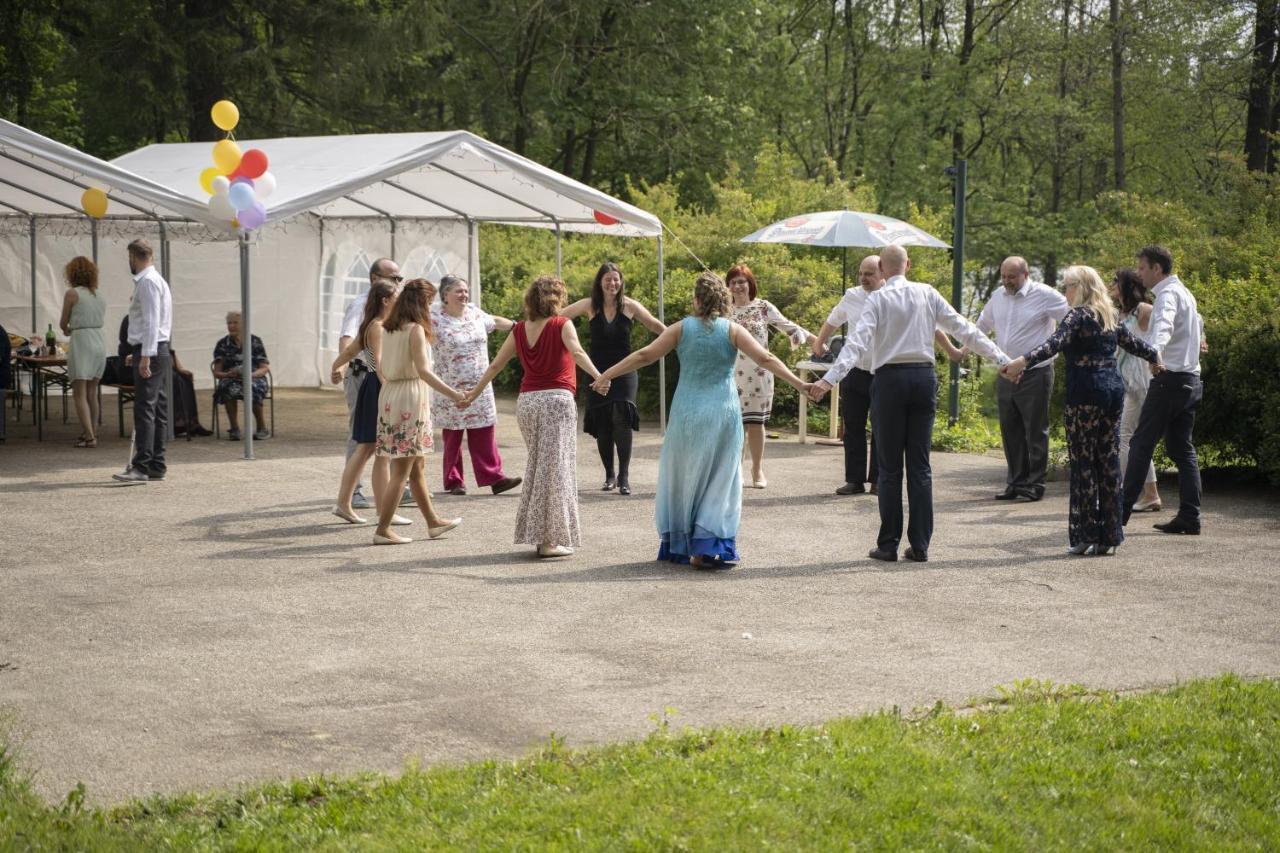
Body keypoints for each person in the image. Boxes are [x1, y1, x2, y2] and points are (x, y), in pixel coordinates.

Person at [593, 272, 812, 567]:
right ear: (724, 300)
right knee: (721, 477)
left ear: (696, 300)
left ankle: (683, 542)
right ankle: (707, 546)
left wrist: (606, 374)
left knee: (686, 475)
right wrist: (801, 385)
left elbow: (644, 355)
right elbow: (766, 359)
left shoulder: (681, 329)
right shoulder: (732, 330)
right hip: (723, 412)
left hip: (687, 413)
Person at [809, 246, 1009, 562]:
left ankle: (888, 544)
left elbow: (855, 346)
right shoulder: (927, 293)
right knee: (920, 465)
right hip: (923, 377)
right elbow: (964, 329)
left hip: (889, 380)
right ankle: (920, 545)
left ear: (883, 271)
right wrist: (1002, 358)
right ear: (908, 266)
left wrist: (827, 380)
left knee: (889, 467)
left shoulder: (877, 299)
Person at [1001, 266, 1162, 556]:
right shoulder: (1109, 316)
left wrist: (1021, 362)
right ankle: (1110, 536)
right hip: (1112, 391)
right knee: (1108, 461)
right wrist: (1155, 357)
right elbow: (1137, 344)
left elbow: (1053, 344)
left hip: (1085, 393)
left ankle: (1086, 533)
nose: (1065, 292)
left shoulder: (1078, 316)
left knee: (1084, 463)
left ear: (1081, 287)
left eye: (1068, 286)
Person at [460, 275, 605, 558]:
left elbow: (495, 366)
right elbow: (576, 351)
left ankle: (542, 535)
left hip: (527, 403)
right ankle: (549, 540)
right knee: (555, 471)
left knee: (541, 468)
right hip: (555, 402)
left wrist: (473, 394)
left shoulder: (520, 330)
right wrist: (599, 377)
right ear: (557, 299)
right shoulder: (562, 324)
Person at [372, 279, 465, 545]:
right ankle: (382, 529)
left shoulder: (387, 328)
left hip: (391, 395)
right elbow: (424, 371)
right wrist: (455, 394)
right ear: (423, 302)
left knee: (416, 467)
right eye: (430, 302)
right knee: (402, 469)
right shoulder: (415, 330)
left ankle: (433, 522)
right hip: (410, 398)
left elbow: (379, 366)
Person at [561, 262, 665, 495]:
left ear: (621, 282)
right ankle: (609, 474)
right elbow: (560, 317)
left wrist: (678, 337)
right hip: (596, 369)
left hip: (625, 369)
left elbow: (655, 325)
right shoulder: (590, 305)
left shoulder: (629, 306)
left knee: (621, 416)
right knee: (603, 422)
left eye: (616, 279)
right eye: (607, 279)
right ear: (600, 282)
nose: (612, 283)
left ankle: (624, 476)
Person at [1121, 246, 1205, 535]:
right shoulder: (1184, 292)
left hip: (1169, 380)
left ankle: (1117, 518)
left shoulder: (1168, 295)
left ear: (1157, 268)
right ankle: (1189, 517)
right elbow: (1198, 323)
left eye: (1142, 268)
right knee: (1182, 449)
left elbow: (1164, 326)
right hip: (1190, 382)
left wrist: (1153, 353)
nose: (1139, 273)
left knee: (1140, 444)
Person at [977, 256, 1069, 502]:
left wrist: (1056, 345)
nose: (1007, 281)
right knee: (1010, 428)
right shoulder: (998, 295)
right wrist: (965, 348)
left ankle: (1035, 484)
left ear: (1025, 274)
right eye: (1004, 276)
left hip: (1036, 372)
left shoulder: (1045, 294)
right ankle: (1015, 482)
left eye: (1012, 277)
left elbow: (1071, 318)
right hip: (1006, 371)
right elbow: (983, 324)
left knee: (1035, 428)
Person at [429, 274, 522, 496]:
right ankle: (454, 481)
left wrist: (518, 327)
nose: (464, 295)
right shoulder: (433, 318)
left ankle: (494, 478)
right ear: (445, 295)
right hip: (450, 386)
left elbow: (495, 321)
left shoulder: (473, 312)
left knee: (484, 431)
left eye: (465, 290)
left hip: (480, 384)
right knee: (453, 435)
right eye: (458, 291)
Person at [329, 279, 413, 527]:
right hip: (379, 388)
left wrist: (336, 367)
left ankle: (373, 508)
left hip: (375, 387)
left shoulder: (373, 325)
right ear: (386, 301)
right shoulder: (377, 326)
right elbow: (377, 363)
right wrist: (390, 390)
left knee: (373, 450)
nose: (400, 301)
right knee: (371, 449)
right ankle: (351, 505)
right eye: (396, 296)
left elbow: (349, 352)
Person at [727, 263, 816, 488]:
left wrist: (817, 341)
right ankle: (734, 471)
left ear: (750, 284)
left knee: (756, 424)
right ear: (728, 286)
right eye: (734, 282)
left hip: (759, 374)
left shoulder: (763, 307)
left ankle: (757, 470)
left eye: (742, 281)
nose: (738, 286)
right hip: (730, 374)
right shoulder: (724, 310)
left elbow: (789, 326)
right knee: (735, 425)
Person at [338, 257, 404, 510]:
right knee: (363, 438)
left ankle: (390, 493)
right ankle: (354, 494)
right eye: (393, 278)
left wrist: (337, 364)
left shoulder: (388, 314)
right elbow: (352, 342)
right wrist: (342, 367)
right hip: (365, 377)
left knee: (378, 443)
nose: (398, 283)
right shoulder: (363, 307)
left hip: (378, 379)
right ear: (375, 279)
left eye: (400, 278)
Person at [113, 239, 173, 484]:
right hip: (156, 348)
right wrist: (139, 351)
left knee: (145, 408)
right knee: (156, 407)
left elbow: (151, 321)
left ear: (134, 256)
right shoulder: (156, 280)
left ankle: (141, 466)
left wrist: (145, 355)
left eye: (129, 258)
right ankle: (157, 464)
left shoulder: (147, 282)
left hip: (152, 349)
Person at [1111, 268, 1163, 512]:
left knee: (1124, 437)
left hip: (1142, 382)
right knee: (1134, 439)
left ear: (1126, 285)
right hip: (1124, 384)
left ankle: (1123, 493)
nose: (1111, 284)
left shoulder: (1143, 309)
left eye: (1115, 281)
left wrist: (1201, 337)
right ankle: (1150, 493)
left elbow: (1181, 322)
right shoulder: (1118, 314)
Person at [114, 316, 211, 437]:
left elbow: (165, 348)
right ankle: (174, 424)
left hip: (153, 364)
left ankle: (191, 423)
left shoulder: (153, 319)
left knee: (185, 378)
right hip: (133, 367)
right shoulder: (132, 320)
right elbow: (135, 348)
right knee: (173, 379)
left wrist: (180, 368)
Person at [58, 257, 106, 448]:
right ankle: (91, 431)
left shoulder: (72, 294)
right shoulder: (99, 295)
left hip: (82, 340)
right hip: (99, 339)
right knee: (92, 392)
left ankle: (90, 436)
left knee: (79, 392)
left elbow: (63, 323)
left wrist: (67, 330)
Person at [212, 311, 270, 441]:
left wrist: (251, 375)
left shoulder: (255, 341)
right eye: (229, 323)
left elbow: (264, 367)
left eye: (235, 323)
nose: (231, 326)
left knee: (252, 387)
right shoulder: (222, 344)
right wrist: (227, 374)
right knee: (227, 387)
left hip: (253, 377)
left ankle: (262, 427)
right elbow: (217, 372)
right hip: (231, 378)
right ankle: (234, 428)